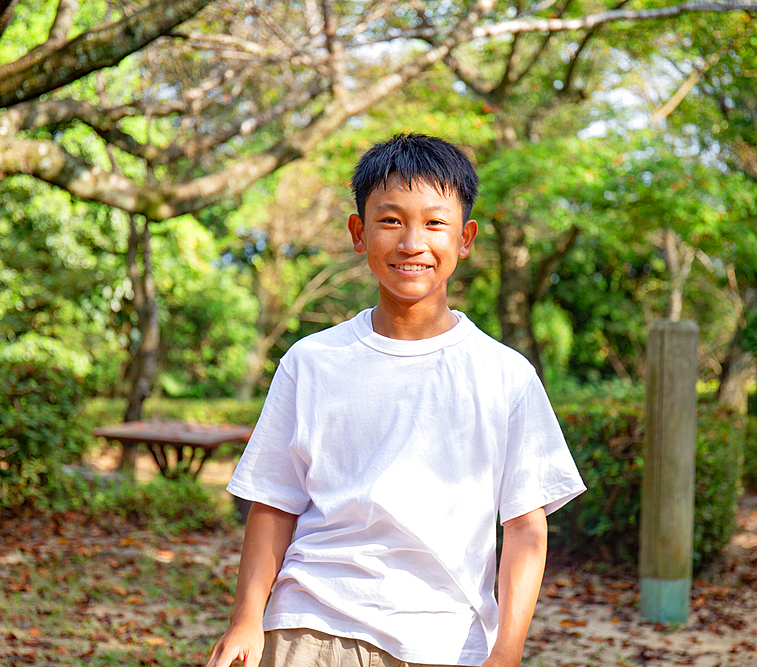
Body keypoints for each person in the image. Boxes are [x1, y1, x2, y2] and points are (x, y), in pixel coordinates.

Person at [205, 133, 585, 667]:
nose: (412, 243)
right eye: (390, 220)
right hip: (312, 626)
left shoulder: (505, 376)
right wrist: (247, 618)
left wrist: (507, 653)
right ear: (359, 234)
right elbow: (274, 502)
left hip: (447, 640)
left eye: (434, 223)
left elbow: (525, 527)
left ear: (465, 238)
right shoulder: (311, 361)